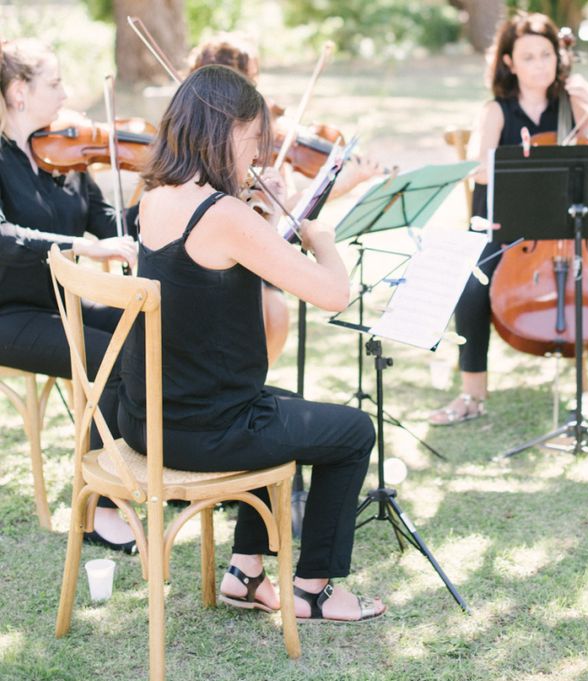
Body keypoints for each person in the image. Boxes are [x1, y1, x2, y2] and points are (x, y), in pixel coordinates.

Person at [118, 64, 385, 621]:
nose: (258, 157)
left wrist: (260, 220)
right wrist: (323, 239)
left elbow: (212, 270)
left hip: (147, 416)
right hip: (201, 429)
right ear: (226, 131)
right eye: (252, 140)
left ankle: (245, 571)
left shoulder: (156, 194)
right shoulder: (225, 214)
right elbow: (334, 293)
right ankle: (314, 588)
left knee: (278, 401)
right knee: (354, 431)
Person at [429, 12, 588, 426]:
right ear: (509, 63)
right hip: (512, 232)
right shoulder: (497, 111)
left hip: (572, 231)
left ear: (559, 57)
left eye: (547, 55)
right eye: (529, 57)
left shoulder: (573, 102)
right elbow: (477, 169)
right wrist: (527, 165)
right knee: (470, 288)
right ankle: (472, 395)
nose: (541, 64)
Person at [0, 38, 139, 549]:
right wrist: (81, 246)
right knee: (114, 359)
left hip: (64, 302)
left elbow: (108, 223)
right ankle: (98, 507)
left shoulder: (65, 150)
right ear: (18, 91)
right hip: (9, 315)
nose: (66, 94)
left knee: (146, 333)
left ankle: (146, 468)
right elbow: (5, 239)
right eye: (54, 84)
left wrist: (161, 197)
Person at [187, 34, 387, 366]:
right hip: (221, 261)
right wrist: (320, 239)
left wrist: (274, 205)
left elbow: (289, 205)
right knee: (269, 309)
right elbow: (335, 293)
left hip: (252, 243)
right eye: (248, 80)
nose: (255, 90)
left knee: (274, 313)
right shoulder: (206, 164)